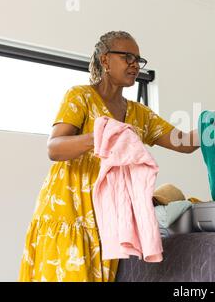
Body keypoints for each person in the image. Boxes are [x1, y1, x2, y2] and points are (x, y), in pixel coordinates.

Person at [19, 31, 199, 282]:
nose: (135, 65)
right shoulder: (80, 96)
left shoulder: (139, 114)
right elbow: (55, 148)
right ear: (105, 61)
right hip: (68, 212)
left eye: (138, 60)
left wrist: (210, 127)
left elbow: (183, 142)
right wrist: (101, 136)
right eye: (127, 57)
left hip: (107, 220)